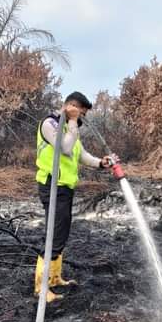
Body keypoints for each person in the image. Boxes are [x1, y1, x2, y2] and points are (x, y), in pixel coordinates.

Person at [34, 91, 118, 302]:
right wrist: (71, 121)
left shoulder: (69, 128)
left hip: (65, 188)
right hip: (52, 185)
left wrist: (101, 163)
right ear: (71, 106)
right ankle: (41, 288)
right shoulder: (50, 124)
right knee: (54, 234)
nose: (81, 119)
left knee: (61, 233)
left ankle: (53, 278)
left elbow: (80, 154)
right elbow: (65, 147)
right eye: (81, 113)